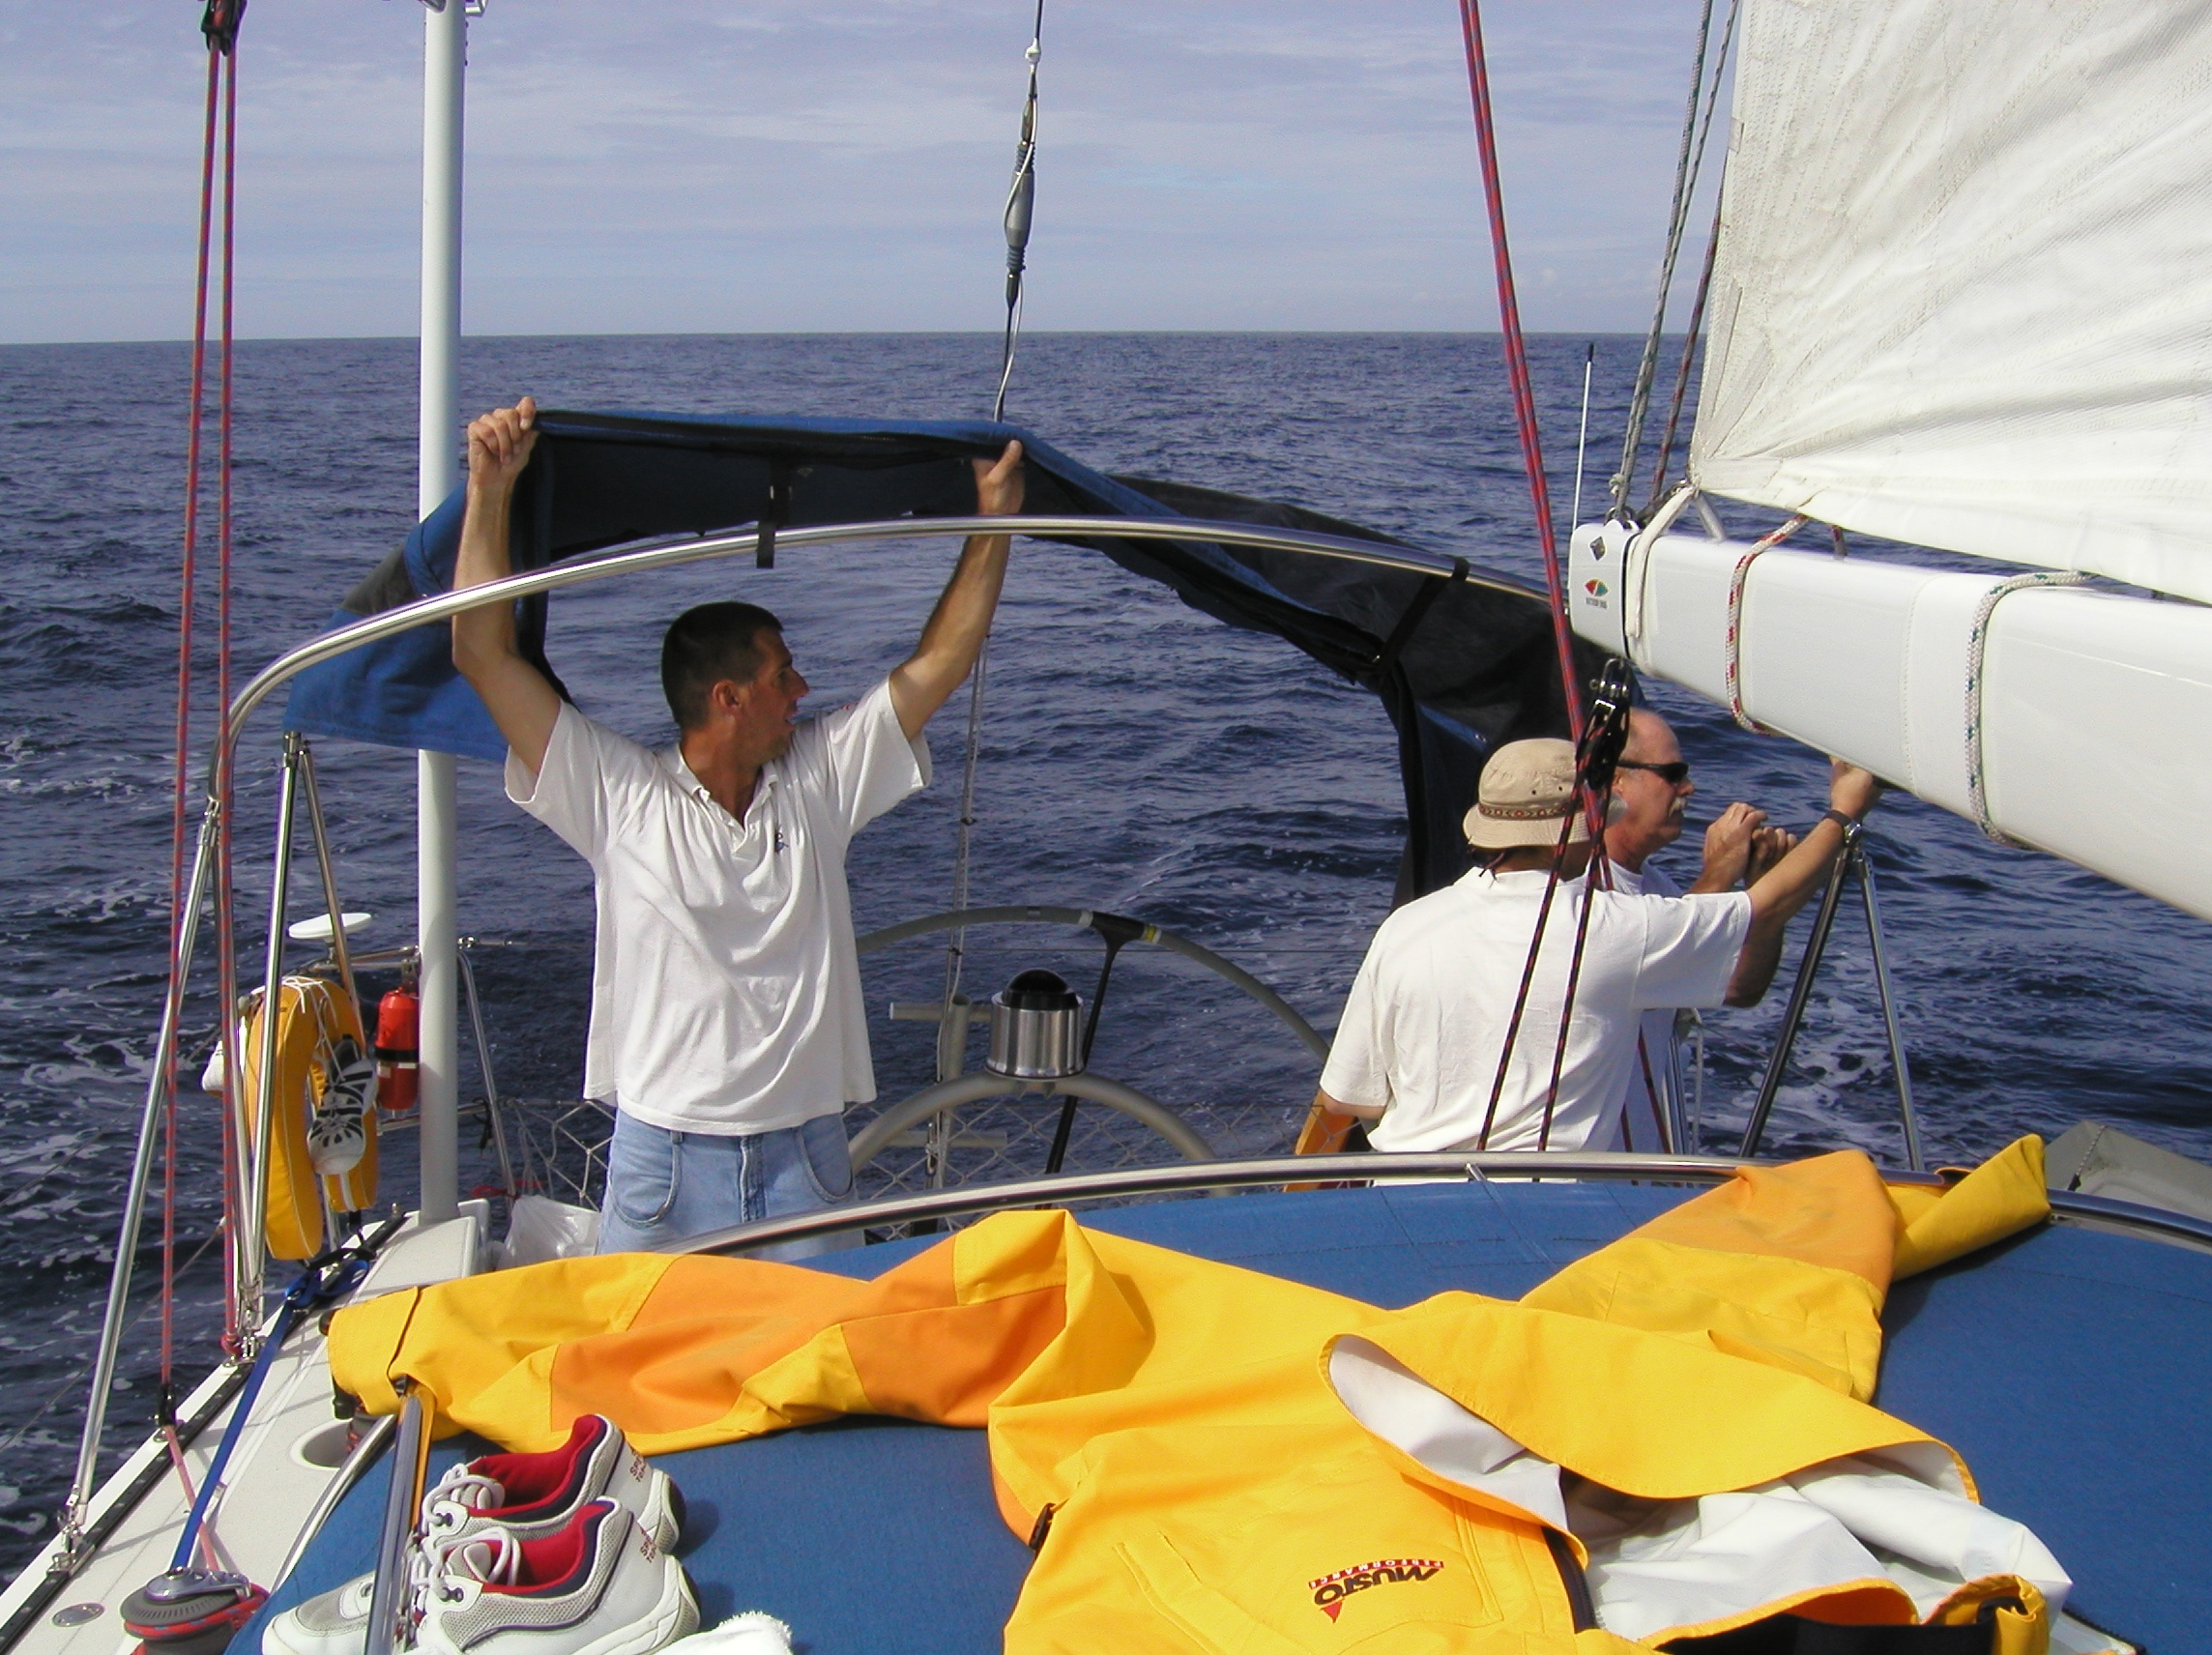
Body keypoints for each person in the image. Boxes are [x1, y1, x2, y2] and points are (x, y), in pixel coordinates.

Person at [451, 395, 1025, 1255]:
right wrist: (489, 489)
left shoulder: (820, 782)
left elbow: (940, 663)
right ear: (729, 698)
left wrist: (996, 523)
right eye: (783, 675)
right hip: (662, 1166)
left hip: (807, 1160)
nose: (802, 692)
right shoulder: (618, 797)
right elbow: (481, 654)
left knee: (820, 1383)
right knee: (646, 1382)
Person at [1311, 737, 1882, 1154]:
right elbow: (1768, 908)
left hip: (1401, 1202)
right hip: (1540, 1214)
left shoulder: (1407, 926)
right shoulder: (1608, 928)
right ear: (1584, 824)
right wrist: (1845, 808)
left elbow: (1347, 1102)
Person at [1604, 708, 1798, 1151]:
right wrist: (1720, 875)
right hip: (1590, 1176)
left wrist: (1762, 892)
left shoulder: (1656, 887)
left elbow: (1740, 989)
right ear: (1617, 781)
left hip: (1643, 1166)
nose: (1688, 788)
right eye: (1672, 774)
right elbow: (1662, 958)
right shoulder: (1578, 888)